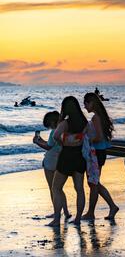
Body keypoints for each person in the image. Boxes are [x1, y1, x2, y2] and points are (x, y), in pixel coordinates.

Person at [47, 96, 88, 227]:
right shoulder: (84, 121)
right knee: (79, 189)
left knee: (56, 187)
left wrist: (63, 143)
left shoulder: (65, 123)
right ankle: (77, 219)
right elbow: (88, 136)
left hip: (66, 157)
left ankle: (56, 219)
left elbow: (55, 136)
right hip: (79, 156)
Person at [81, 93, 119, 221]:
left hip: (96, 153)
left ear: (91, 102)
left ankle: (92, 212)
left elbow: (99, 137)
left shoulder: (96, 118)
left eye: (86, 103)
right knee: (94, 182)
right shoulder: (100, 116)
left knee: (93, 183)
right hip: (100, 152)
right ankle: (111, 207)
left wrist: (86, 139)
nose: (84, 106)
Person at [33, 111, 71, 220]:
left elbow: (48, 147)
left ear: (52, 122)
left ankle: (56, 212)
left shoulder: (54, 132)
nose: (49, 127)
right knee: (59, 189)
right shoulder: (62, 131)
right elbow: (50, 144)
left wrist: (37, 142)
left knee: (53, 189)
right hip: (59, 161)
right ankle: (66, 212)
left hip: (50, 162)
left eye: (49, 125)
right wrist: (41, 141)